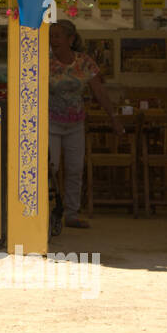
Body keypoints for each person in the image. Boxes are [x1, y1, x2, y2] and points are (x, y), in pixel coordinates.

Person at [49, 19, 122, 229]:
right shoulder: (44, 61)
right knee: (51, 168)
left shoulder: (85, 62)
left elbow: (99, 91)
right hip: (50, 123)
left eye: (57, 36)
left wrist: (113, 117)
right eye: (51, 36)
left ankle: (72, 214)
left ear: (71, 39)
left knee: (75, 168)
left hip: (75, 125)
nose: (53, 41)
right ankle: (47, 212)